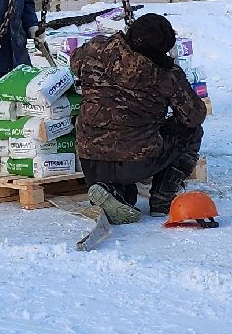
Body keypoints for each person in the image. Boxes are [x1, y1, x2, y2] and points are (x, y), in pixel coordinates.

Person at [70, 14, 207, 224]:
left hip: (90, 158)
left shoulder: (95, 49)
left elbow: (74, 62)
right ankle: (162, 199)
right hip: (136, 162)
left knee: (127, 191)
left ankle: (113, 192)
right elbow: (194, 116)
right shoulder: (166, 75)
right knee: (191, 131)